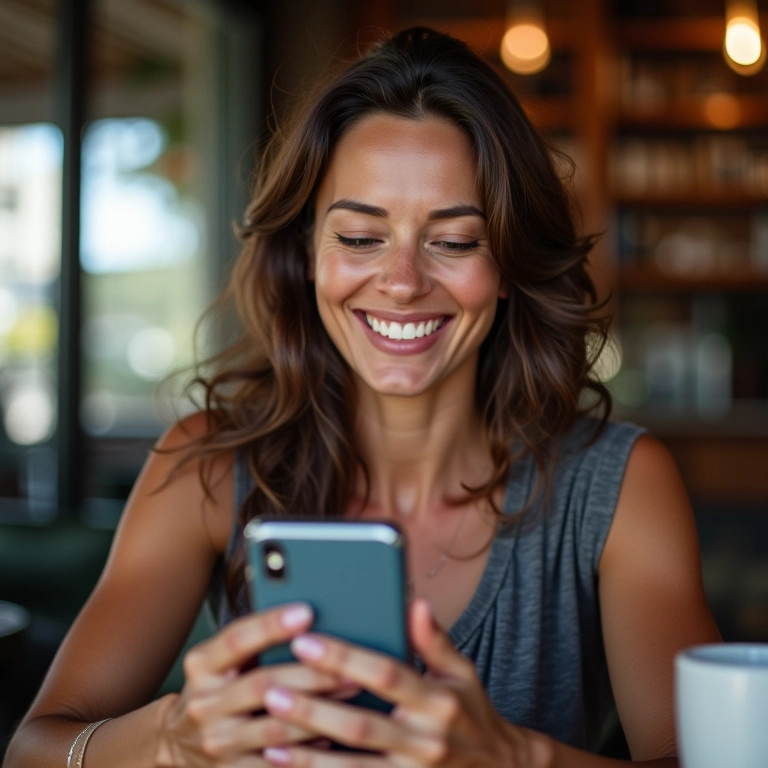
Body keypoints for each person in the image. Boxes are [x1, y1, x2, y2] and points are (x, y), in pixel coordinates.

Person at [4, 27, 721, 768]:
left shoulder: (619, 486)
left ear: (508, 262)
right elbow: (31, 750)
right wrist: (169, 740)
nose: (403, 282)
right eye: (358, 238)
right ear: (308, 253)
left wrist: (513, 758)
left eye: (455, 241)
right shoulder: (208, 465)